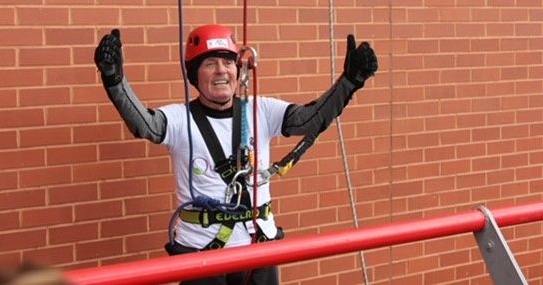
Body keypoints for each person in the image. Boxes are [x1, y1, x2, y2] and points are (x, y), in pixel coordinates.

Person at [94, 24, 377, 285]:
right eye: (210, 63)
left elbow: (308, 120)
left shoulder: (260, 110)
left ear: (238, 70)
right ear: (194, 74)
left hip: (258, 250)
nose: (221, 70)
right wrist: (115, 80)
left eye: (228, 61)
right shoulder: (180, 119)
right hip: (202, 254)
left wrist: (349, 82)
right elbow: (145, 124)